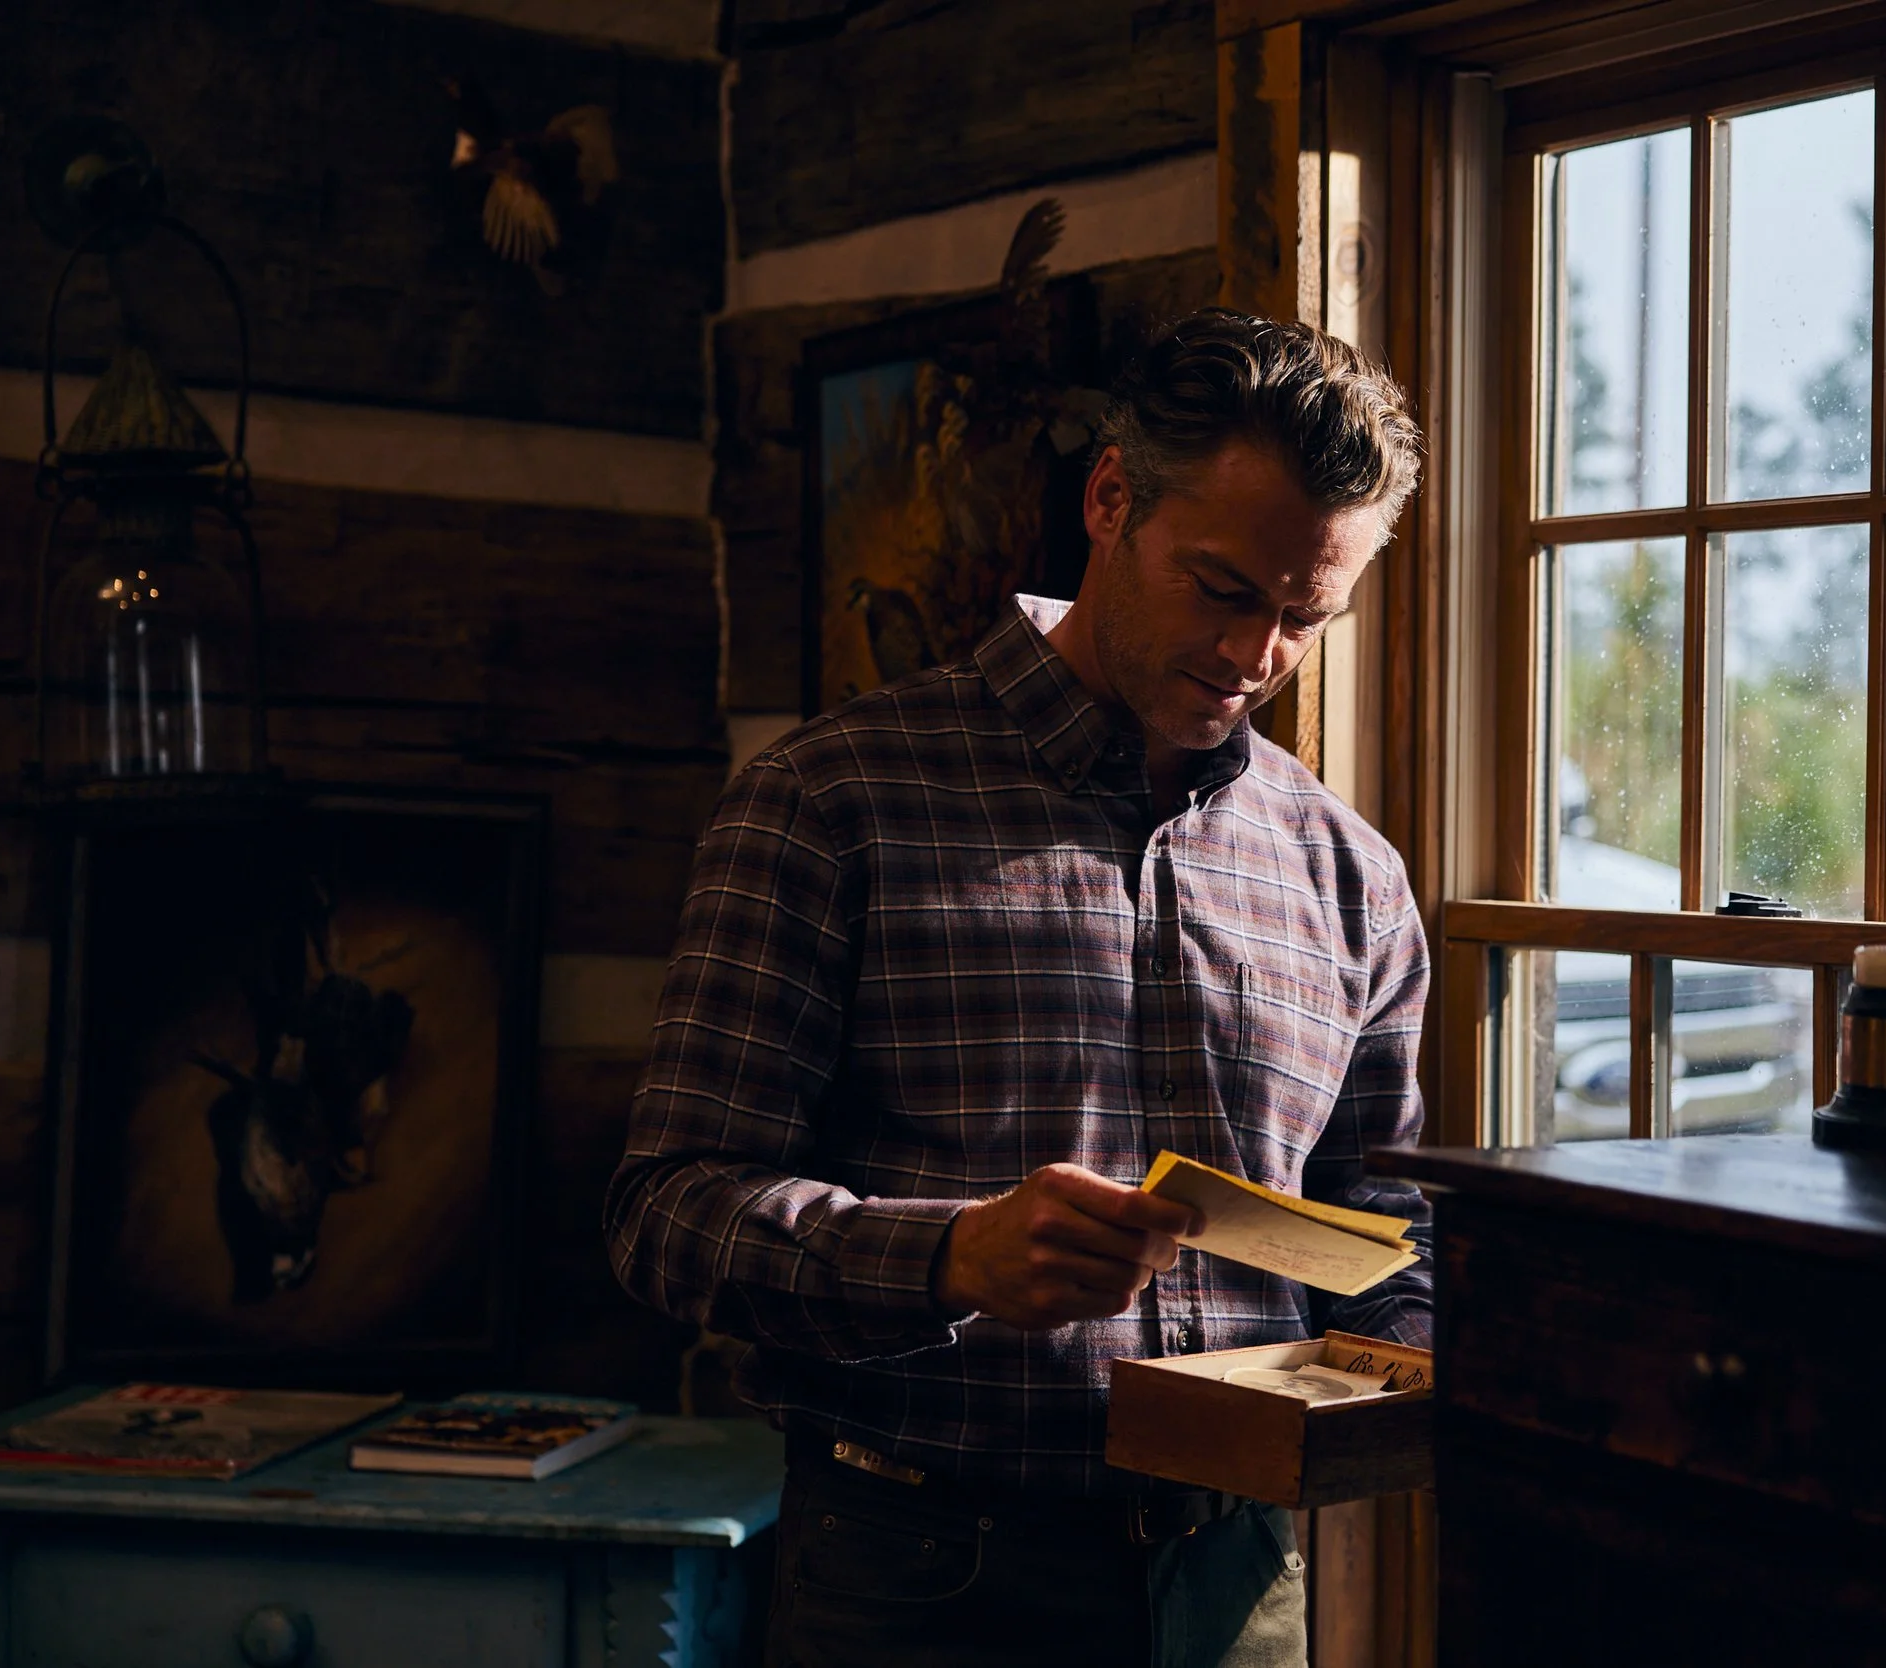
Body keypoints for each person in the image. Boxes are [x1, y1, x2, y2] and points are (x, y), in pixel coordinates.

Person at [605, 308, 1431, 1668]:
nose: (1255, 657)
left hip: (1243, 1590)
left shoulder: (1352, 875)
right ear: (1110, 499)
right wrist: (948, 1258)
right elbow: (666, 1214)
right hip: (921, 1581)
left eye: (1306, 616)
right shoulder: (831, 801)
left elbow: (1380, 1222)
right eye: (1225, 589)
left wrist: (1412, 1340)